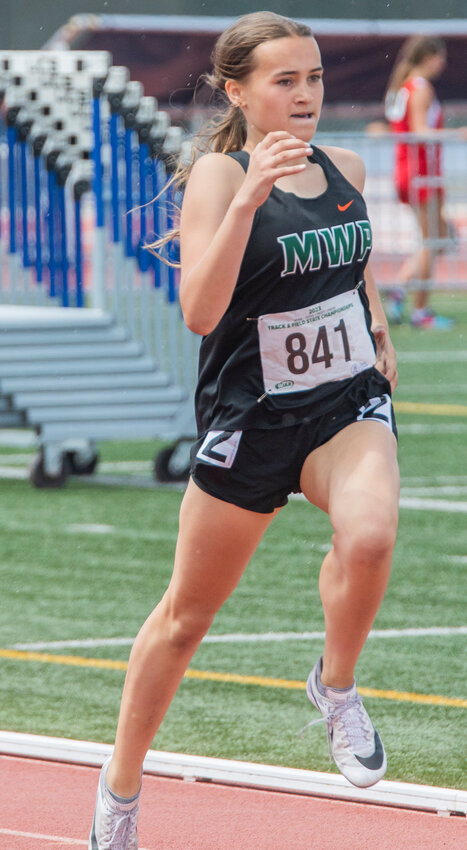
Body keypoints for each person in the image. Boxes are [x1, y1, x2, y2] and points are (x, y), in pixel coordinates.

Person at [89, 12, 399, 848]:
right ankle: (120, 789)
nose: (304, 95)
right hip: (251, 418)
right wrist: (252, 195)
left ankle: (333, 688)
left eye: (315, 77)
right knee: (186, 619)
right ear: (238, 90)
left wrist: (376, 325)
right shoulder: (220, 179)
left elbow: (351, 256)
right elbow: (198, 312)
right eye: (283, 80)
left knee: (368, 537)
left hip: (345, 403)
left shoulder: (349, 166)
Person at [384, 35, 454, 329]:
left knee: (440, 238)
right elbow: (419, 131)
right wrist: (457, 134)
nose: (443, 62)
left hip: (416, 172)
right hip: (420, 174)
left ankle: (399, 288)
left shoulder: (404, 87)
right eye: (441, 56)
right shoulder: (419, 88)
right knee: (430, 241)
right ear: (430, 56)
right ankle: (420, 311)